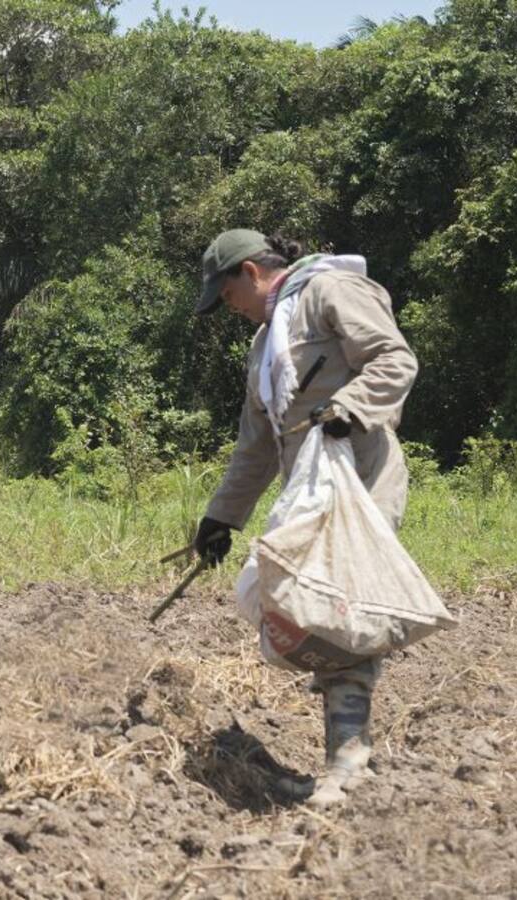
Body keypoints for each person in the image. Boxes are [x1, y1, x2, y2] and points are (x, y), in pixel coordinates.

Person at [192, 229, 418, 808]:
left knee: (340, 611)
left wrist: (350, 407)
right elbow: (257, 445)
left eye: (227, 296)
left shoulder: (331, 291)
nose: (231, 310)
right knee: (301, 608)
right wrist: (221, 517)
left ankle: (348, 762)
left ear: (248, 272)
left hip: (359, 478)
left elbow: (394, 359)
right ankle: (341, 760)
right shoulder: (265, 346)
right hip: (308, 491)